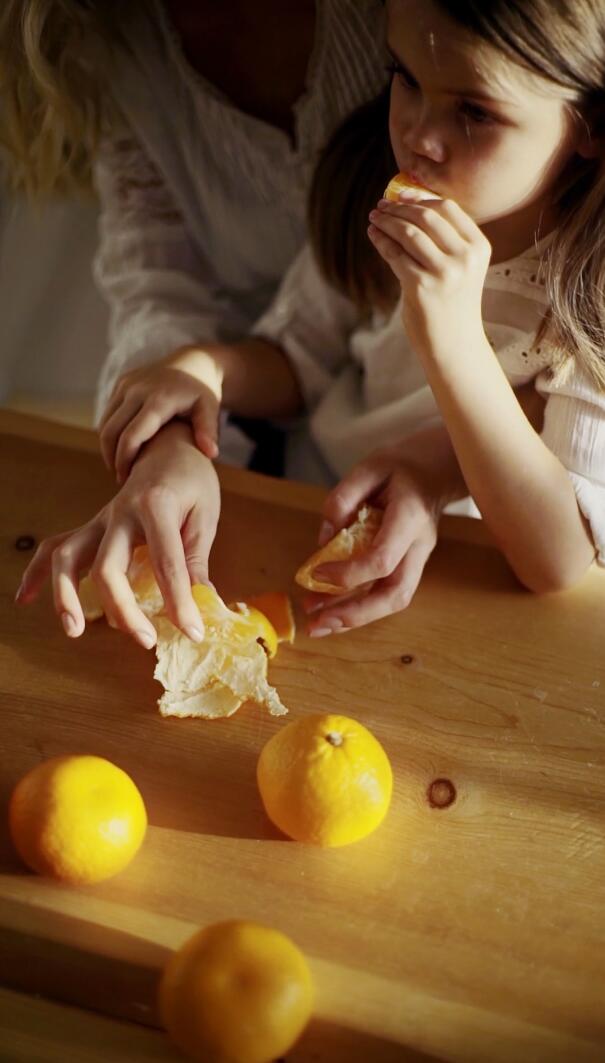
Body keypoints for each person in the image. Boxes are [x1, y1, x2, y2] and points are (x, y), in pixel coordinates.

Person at [18, 0, 605, 645]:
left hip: (448, 582)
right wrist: (207, 371)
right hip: (299, 513)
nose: (418, 137)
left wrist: (452, 335)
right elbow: (297, 359)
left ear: (592, 121)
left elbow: (556, 558)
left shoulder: (587, 293)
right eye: (404, 78)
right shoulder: (373, 192)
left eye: (474, 112)